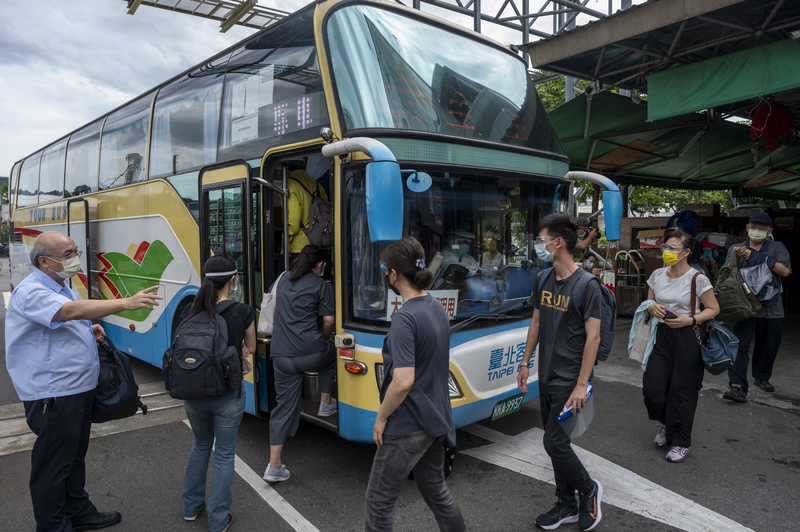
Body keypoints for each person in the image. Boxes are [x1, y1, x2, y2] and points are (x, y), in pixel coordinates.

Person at [5, 231, 161, 532]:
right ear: (44, 261)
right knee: (53, 465)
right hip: (54, 394)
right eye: (67, 254)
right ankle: (53, 526)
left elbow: (61, 325)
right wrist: (124, 303)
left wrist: (87, 332)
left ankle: (78, 512)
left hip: (76, 389)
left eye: (75, 250)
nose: (75, 258)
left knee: (73, 456)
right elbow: (68, 312)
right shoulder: (31, 290)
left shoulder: (62, 284)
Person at [365, 237, 466, 532]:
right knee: (435, 489)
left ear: (394, 274)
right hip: (435, 418)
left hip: (408, 423)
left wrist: (381, 417)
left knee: (378, 501)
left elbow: (403, 381)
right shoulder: (435, 307)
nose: (385, 274)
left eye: (385, 269)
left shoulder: (404, 319)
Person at [517, 214, 604, 531]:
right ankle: (566, 504)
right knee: (558, 443)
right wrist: (525, 363)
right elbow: (536, 324)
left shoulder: (587, 285)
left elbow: (593, 338)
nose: (538, 245)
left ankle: (588, 489)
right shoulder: (542, 279)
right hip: (546, 374)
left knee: (554, 443)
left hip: (571, 379)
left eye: (541, 240)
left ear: (558, 242)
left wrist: (582, 384)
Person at [181, 256, 256, 532]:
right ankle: (218, 520)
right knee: (224, 454)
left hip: (193, 392)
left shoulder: (192, 308)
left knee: (201, 445)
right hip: (227, 393)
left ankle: (191, 507)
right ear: (233, 280)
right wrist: (242, 349)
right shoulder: (243, 311)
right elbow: (251, 346)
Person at [643, 229, 720, 463]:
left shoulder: (697, 278)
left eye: (672, 248)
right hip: (661, 335)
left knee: (683, 392)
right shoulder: (657, 274)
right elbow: (649, 300)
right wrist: (650, 308)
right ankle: (668, 422)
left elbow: (713, 309)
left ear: (686, 252)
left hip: (688, 337)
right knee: (653, 389)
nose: (666, 251)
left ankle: (681, 442)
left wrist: (690, 320)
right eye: (665, 247)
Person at [264, 245, 337, 483]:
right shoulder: (320, 285)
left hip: (281, 356)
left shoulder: (283, 278)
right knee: (333, 352)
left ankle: (274, 465)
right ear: (319, 266)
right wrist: (325, 338)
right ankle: (325, 403)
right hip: (311, 352)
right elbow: (329, 320)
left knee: (283, 407)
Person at [722, 214, 791, 401]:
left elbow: (785, 271)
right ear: (747, 227)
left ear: (770, 231)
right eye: (754, 226)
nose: (757, 231)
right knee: (739, 346)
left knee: (768, 346)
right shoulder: (735, 248)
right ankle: (737, 386)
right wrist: (735, 259)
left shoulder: (777, 247)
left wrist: (757, 257)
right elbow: (727, 274)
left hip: (771, 308)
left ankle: (761, 377)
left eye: (762, 228)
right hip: (742, 306)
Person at [287, 161, 329, 255]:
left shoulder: (289, 184)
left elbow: (294, 219)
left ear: (287, 170)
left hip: (300, 246)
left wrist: (286, 239)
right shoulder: (318, 185)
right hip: (320, 242)